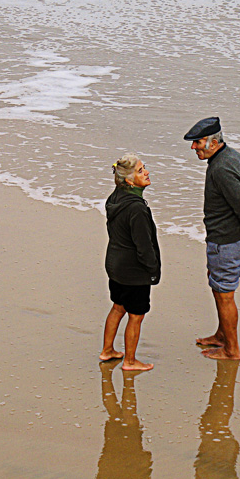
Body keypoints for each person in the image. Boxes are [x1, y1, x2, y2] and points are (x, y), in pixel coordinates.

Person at [184, 117, 240, 360]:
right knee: (217, 284)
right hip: (232, 238)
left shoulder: (221, 169)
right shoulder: (232, 156)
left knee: (224, 294)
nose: (193, 148)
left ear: (212, 142)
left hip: (227, 240)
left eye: (197, 142)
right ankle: (222, 335)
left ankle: (231, 350)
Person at [100, 153, 161, 371]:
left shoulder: (114, 198)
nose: (146, 173)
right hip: (134, 272)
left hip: (115, 265)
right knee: (136, 315)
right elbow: (144, 247)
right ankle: (130, 361)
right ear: (129, 180)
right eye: (140, 170)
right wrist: (153, 271)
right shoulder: (136, 208)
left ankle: (107, 351)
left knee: (118, 307)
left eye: (144, 168)